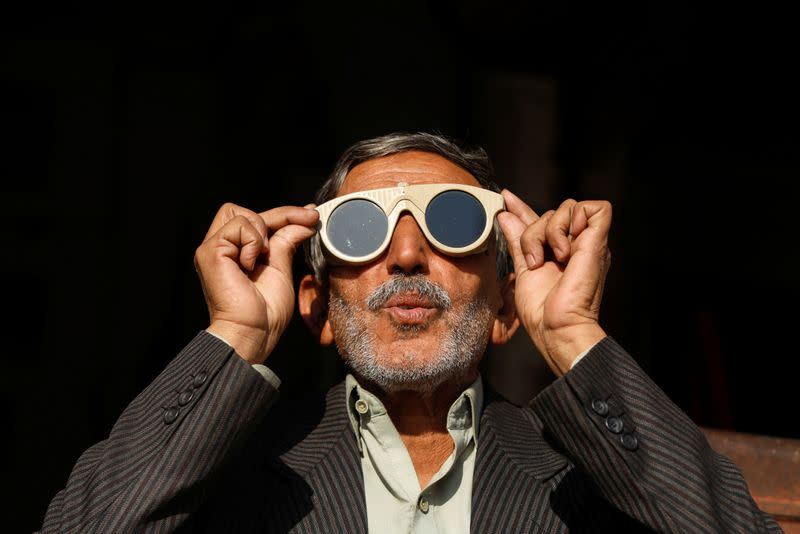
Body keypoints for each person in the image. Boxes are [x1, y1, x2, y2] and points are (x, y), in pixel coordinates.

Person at [39, 132, 781, 533]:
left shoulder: (595, 483)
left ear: (504, 309)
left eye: (452, 221)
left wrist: (576, 337)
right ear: (317, 308)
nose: (404, 254)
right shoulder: (224, 475)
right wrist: (236, 332)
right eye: (359, 232)